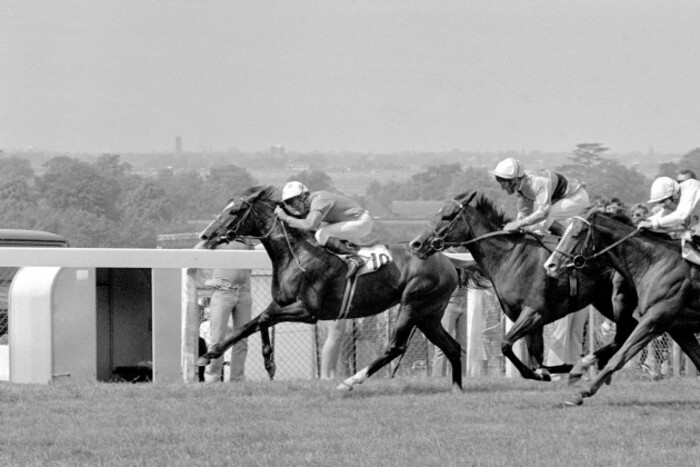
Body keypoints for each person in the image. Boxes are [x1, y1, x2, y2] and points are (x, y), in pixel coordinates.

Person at [274, 181, 373, 279]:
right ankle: (353, 252)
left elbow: (310, 224)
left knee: (321, 234)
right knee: (321, 229)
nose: (293, 207)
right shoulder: (314, 202)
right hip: (354, 222)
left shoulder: (319, 200)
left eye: (293, 202)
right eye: (288, 203)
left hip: (361, 222)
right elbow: (304, 221)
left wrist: (286, 218)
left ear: (303, 196)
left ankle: (354, 257)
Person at [198, 239, 254, 383]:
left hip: (244, 292)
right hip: (223, 293)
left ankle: (237, 379)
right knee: (217, 339)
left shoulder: (247, 238)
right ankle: (212, 379)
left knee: (242, 340)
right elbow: (197, 252)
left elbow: (252, 262)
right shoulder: (218, 238)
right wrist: (207, 282)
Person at [490, 157, 589, 236]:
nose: (502, 187)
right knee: (533, 226)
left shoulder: (536, 183)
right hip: (565, 198)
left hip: (576, 198)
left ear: (514, 180)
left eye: (504, 183)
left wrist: (518, 224)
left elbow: (543, 213)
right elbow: (524, 213)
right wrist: (516, 225)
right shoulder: (521, 188)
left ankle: (570, 245)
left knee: (542, 221)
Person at [432, 264, 468, 378]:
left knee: (462, 346)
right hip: (449, 304)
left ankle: (461, 378)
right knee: (442, 345)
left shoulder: (465, 258)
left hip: (464, 302)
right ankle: (438, 379)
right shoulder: (446, 258)